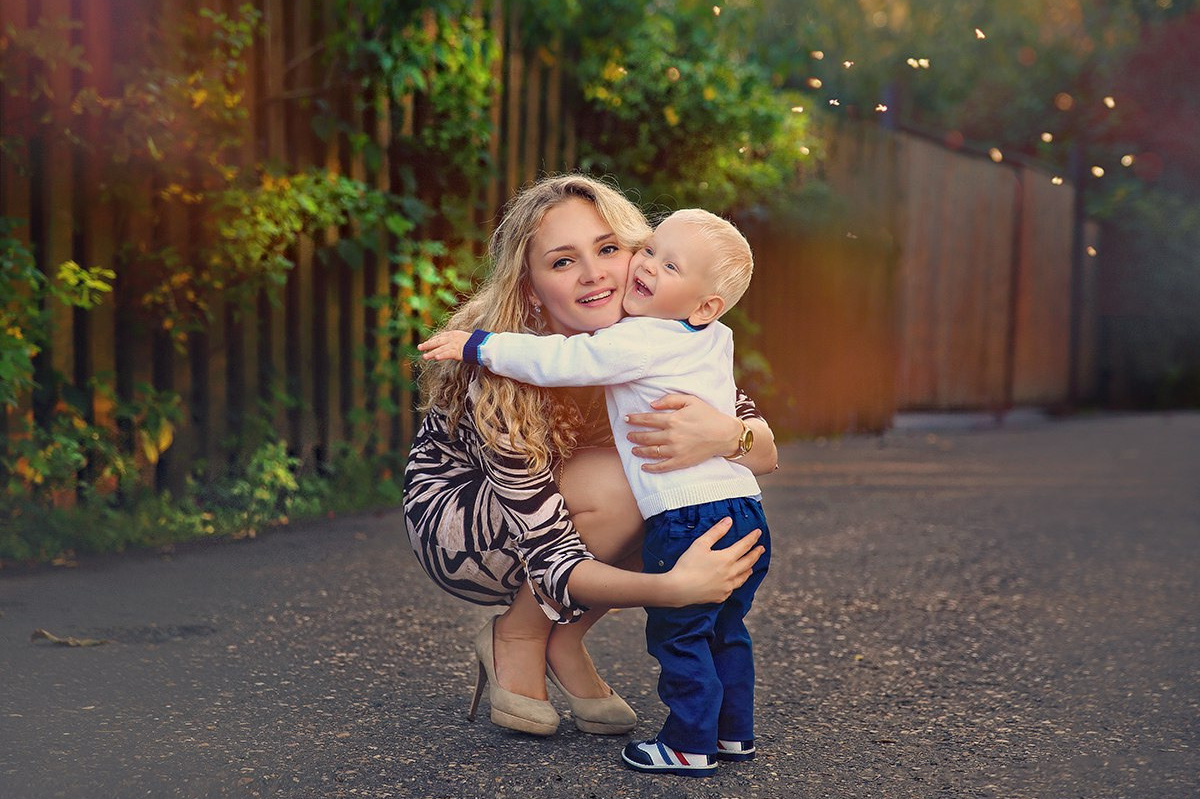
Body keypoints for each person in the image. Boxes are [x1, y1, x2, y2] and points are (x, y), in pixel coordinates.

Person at [403, 175, 777, 743]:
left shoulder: (658, 330)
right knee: (631, 479)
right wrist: (673, 589)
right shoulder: (505, 363)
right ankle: (518, 636)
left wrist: (725, 437)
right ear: (530, 287)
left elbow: (763, 452)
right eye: (562, 262)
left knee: (693, 489)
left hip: (583, 507)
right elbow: (548, 549)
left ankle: (564, 638)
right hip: (465, 523)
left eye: (608, 249)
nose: (595, 273)